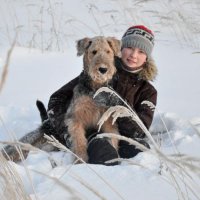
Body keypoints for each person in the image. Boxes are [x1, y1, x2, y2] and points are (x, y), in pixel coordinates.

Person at [45, 25, 157, 165]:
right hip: (95, 136)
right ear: (120, 50)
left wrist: (117, 104)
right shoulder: (96, 75)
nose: (134, 55)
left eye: (141, 51)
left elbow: (140, 131)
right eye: (129, 48)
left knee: (141, 152)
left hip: (126, 139)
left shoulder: (148, 91)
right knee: (103, 151)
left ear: (147, 57)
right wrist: (67, 133)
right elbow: (56, 100)